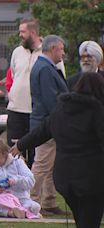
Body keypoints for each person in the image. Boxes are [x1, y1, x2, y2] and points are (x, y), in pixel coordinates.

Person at [11, 72, 104, 228]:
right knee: (90, 220)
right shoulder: (97, 113)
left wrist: (20, 145)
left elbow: (41, 131)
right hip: (91, 179)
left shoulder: (61, 110)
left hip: (65, 177)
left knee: (82, 219)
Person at [6, 18, 65, 169]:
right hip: (16, 110)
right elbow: (13, 75)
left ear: (33, 33)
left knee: (35, 155)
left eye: (23, 32)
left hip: (36, 112)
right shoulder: (17, 52)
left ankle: (33, 188)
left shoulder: (50, 53)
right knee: (13, 152)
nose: (20, 35)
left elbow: (58, 80)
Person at [29, 35, 69, 216]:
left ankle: (48, 201)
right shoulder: (45, 69)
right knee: (42, 164)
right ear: (52, 48)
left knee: (50, 164)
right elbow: (51, 100)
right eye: (61, 49)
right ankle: (31, 201)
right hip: (47, 124)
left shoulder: (45, 66)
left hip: (48, 123)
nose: (63, 53)